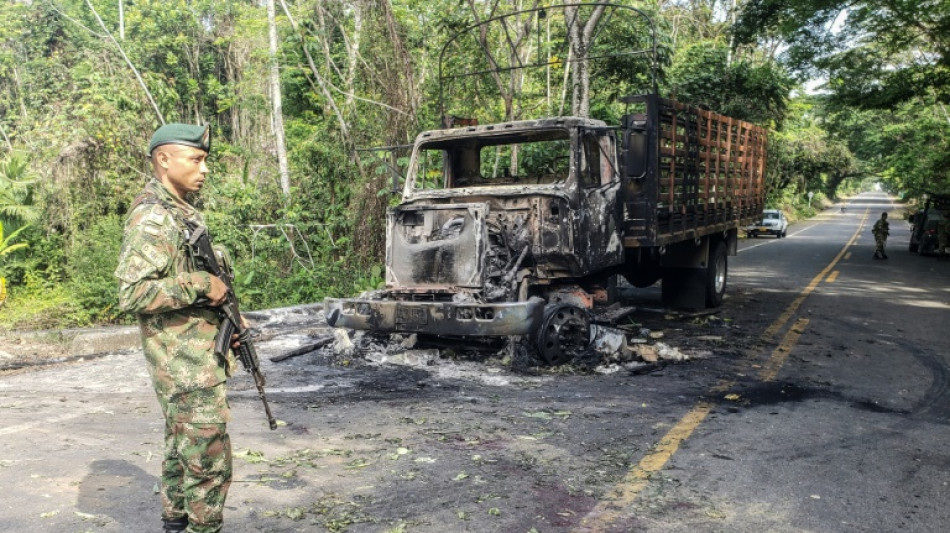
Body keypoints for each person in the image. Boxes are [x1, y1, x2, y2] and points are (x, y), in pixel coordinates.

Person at [115, 123, 235, 533]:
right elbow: (133, 293)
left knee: (182, 446)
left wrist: (229, 318)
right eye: (196, 159)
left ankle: (176, 522)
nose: (205, 169)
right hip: (181, 362)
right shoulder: (153, 217)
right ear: (164, 160)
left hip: (194, 356)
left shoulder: (180, 211)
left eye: (205, 160)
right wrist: (201, 284)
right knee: (208, 460)